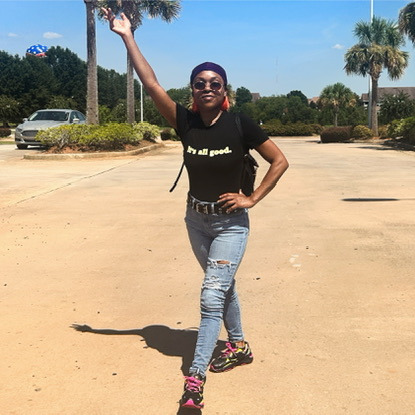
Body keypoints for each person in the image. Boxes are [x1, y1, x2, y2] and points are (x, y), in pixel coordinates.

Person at [102, 8, 289, 410]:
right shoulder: (185, 122)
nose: (207, 87)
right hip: (196, 221)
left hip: (231, 224)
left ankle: (195, 381)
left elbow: (280, 161)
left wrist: (252, 198)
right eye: (200, 82)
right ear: (192, 90)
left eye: (214, 83)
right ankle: (238, 346)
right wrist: (127, 35)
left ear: (224, 90)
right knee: (223, 287)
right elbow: (150, 83)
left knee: (210, 297)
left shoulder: (240, 124)